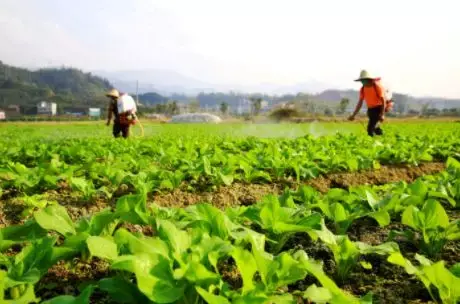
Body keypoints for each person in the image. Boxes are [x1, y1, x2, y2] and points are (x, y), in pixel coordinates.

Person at [348, 70, 387, 136]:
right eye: (362, 80)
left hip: (378, 109)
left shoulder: (377, 86)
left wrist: (382, 114)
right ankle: (383, 138)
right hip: (370, 110)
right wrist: (353, 115)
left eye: (364, 80)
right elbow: (360, 103)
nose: (363, 82)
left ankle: (372, 143)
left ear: (368, 79)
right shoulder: (362, 89)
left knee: (370, 129)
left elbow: (383, 101)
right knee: (375, 128)